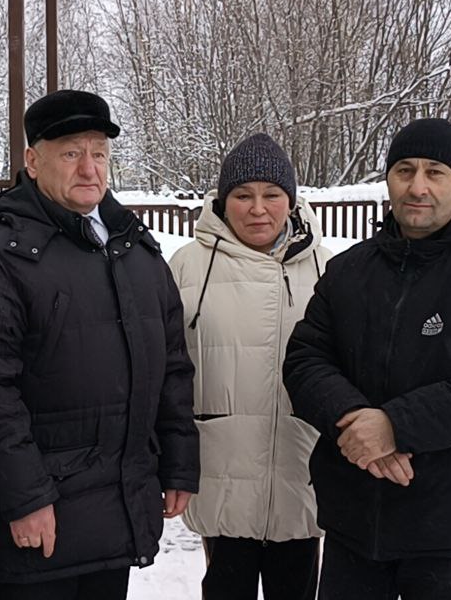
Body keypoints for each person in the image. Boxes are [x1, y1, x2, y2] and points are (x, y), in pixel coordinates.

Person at [283, 117, 451, 600]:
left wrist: (395, 426)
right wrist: (353, 419)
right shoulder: (350, 270)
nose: (417, 186)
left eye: (436, 172)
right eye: (404, 170)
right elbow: (306, 359)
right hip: (355, 517)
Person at [0, 89, 200, 600]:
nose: (89, 168)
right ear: (33, 162)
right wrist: (25, 498)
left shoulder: (137, 252)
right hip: (43, 521)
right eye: (71, 153)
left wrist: (178, 462)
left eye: (99, 152)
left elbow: (171, 368)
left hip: (116, 512)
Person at [168, 133, 331, 600]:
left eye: (271, 195)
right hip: (222, 476)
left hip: (300, 474)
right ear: (223, 200)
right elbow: (167, 370)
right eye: (243, 195)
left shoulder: (326, 268)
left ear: (291, 201)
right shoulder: (187, 268)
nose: (258, 208)